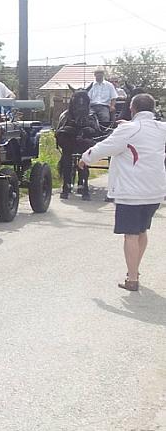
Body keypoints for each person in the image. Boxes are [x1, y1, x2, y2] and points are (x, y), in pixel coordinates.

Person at [78, 93, 166, 292]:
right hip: (156, 191)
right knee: (142, 231)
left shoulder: (127, 130)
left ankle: (132, 278)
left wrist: (85, 158)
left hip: (131, 192)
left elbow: (103, 148)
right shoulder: (161, 129)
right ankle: (134, 271)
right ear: (152, 109)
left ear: (133, 109)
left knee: (130, 235)